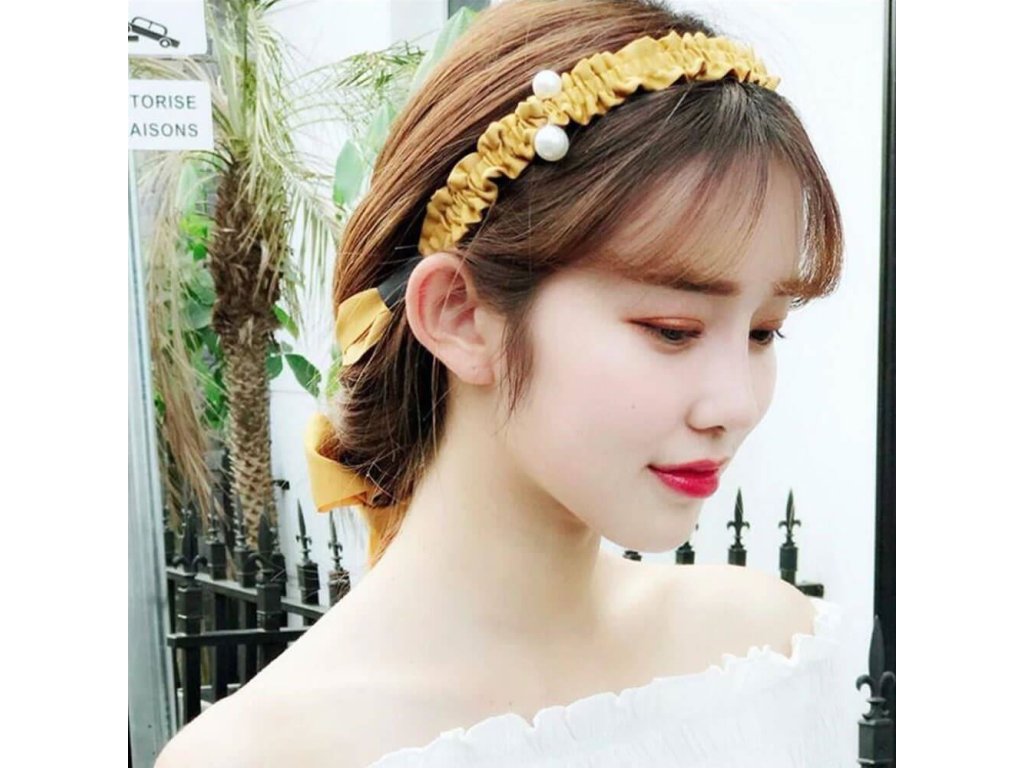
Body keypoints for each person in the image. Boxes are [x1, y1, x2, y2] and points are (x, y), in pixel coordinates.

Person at [156, 0, 853, 765]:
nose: (737, 405)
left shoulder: (767, 650)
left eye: (762, 332)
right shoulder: (266, 753)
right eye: (672, 330)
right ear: (459, 315)